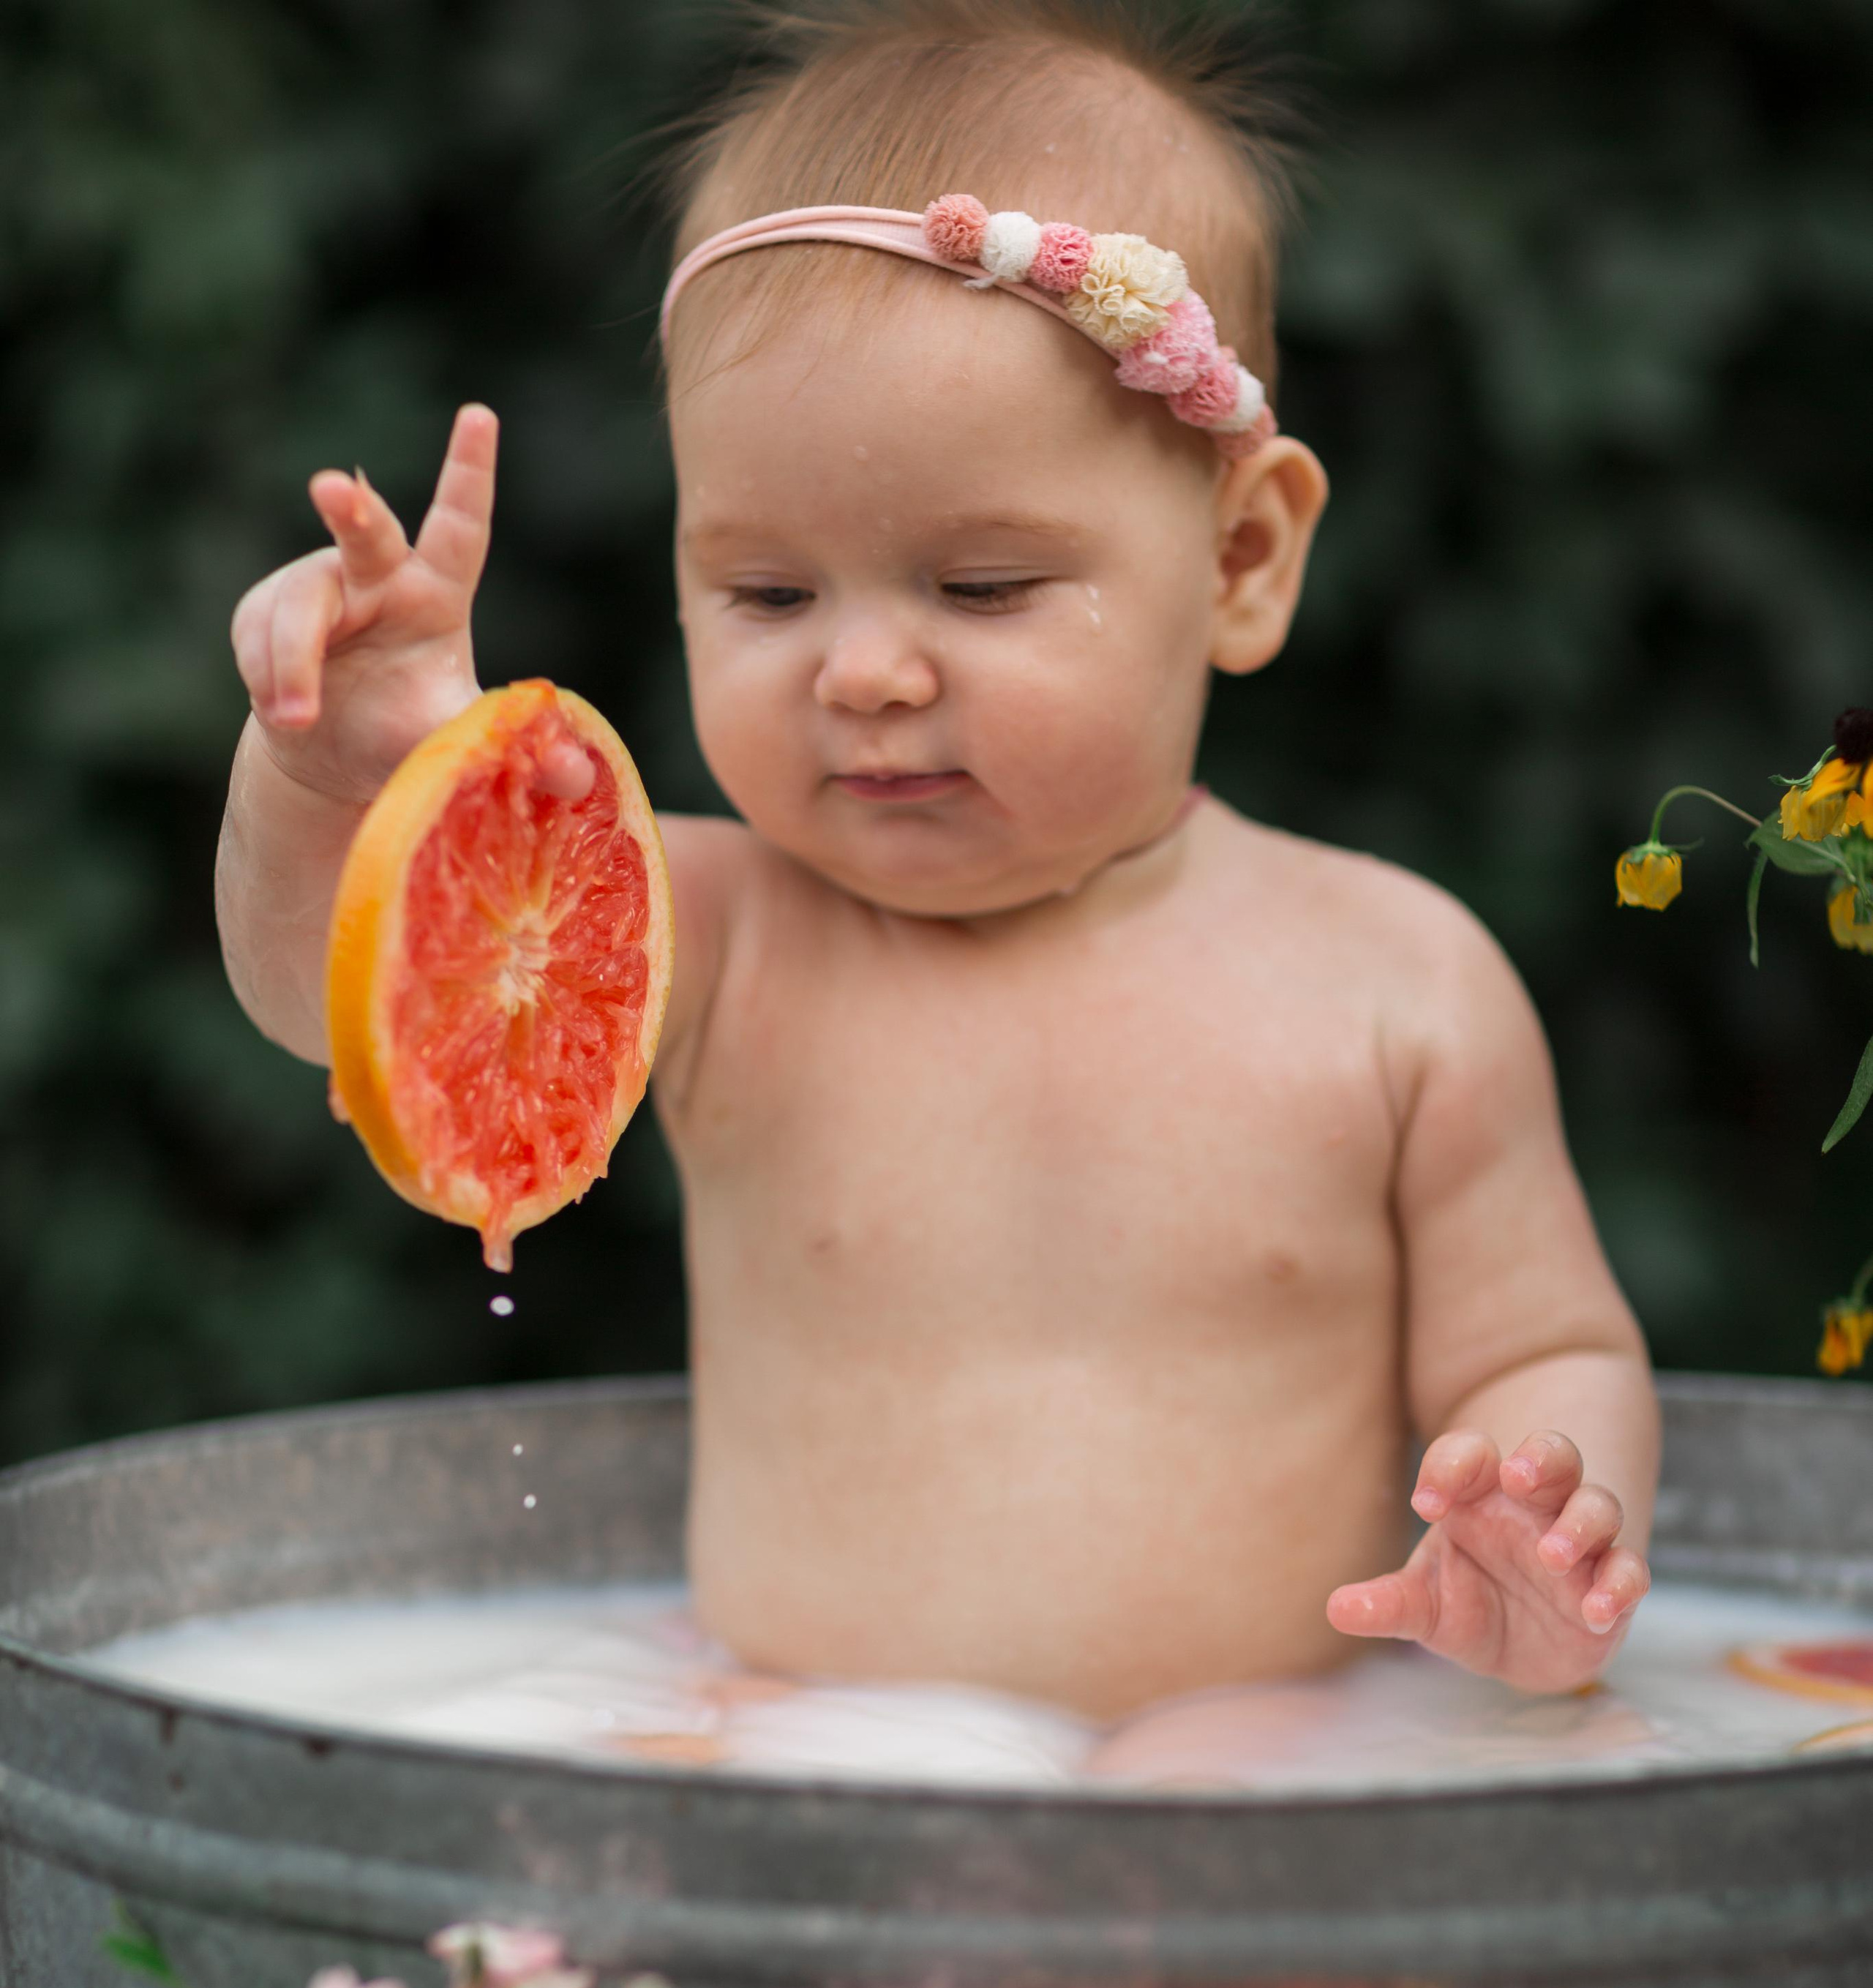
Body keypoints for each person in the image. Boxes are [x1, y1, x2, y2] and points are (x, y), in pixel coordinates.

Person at [214, 0, 1656, 1726]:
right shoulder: (709, 935)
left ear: (1245, 557)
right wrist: (327, 773)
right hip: (803, 1760)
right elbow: (345, 1006)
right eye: (765, 593)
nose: (863, 673)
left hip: (1267, 1780)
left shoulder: (1392, 983)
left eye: (978, 589)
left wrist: (1550, 1541)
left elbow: (1540, 1348)